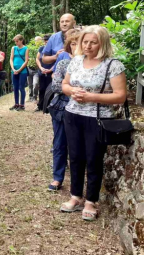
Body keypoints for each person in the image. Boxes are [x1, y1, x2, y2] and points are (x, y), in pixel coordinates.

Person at [60, 26, 126, 221]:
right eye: (85, 42)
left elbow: (120, 96)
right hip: (73, 115)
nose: (87, 46)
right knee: (76, 157)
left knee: (94, 159)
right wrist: (72, 92)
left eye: (93, 42)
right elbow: (65, 84)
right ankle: (75, 196)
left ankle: (91, 201)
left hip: (98, 117)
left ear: (102, 43)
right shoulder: (76, 61)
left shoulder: (112, 65)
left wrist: (91, 96)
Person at [47, 29, 80, 192]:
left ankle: (78, 181)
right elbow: (55, 86)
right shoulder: (63, 63)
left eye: (79, 43)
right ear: (69, 46)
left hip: (83, 109)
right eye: (73, 43)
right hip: (61, 107)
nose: (77, 46)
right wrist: (76, 90)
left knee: (79, 145)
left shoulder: (93, 64)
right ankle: (57, 178)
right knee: (60, 143)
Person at [9, 35, 29, 111]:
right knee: (15, 87)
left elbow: (26, 61)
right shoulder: (13, 48)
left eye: (17, 41)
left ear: (21, 40)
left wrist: (19, 70)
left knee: (21, 87)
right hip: (14, 71)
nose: (16, 42)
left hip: (22, 71)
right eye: (15, 41)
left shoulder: (25, 48)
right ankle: (16, 103)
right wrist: (13, 69)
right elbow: (11, 59)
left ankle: (22, 104)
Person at [36, 34, 54, 112]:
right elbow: (37, 59)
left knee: (50, 89)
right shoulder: (41, 49)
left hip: (51, 72)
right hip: (42, 71)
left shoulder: (54, 50)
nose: (46, 43)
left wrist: (50, 69)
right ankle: (40, 105)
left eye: (47, 42)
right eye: (45, 42)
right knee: (41, 89)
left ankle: (49, 106)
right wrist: (40, 68)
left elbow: (57, 61)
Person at [28, 36, 42, 102]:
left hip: (37, 69)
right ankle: (30, 97)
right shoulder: (31, 48)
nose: (37, 42)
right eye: (36, 40)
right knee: (30, 84)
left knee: (35, 84)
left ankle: (35, 97)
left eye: (38, 40)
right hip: (29, 68)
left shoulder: (42, 49)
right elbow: (27, 56)